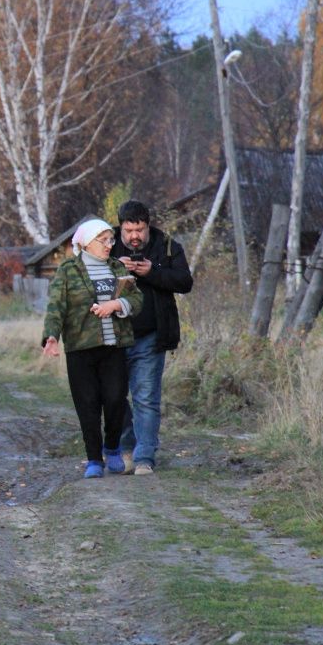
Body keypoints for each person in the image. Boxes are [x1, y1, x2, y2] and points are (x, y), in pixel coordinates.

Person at [42, 218, 143, 479]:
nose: (110, 245)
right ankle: (93, 460)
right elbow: (56, 307)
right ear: (86, 242)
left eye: (111, 240)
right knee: (87, 405)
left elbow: (136, 299)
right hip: (80, 349)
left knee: (115, 400)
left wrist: (117, 305)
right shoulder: (67, 270)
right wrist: (51, 337)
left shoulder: (117, 267)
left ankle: (112, 448)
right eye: (104, 240)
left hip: (114, 346)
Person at [112, 200, 193, 476]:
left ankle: (144, 456)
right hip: (112, 336)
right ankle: (125, 450)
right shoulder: (105, 243)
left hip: (151, 335)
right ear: (120, 227)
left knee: (146, 397)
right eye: (129, 230)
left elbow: (185, 282)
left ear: (148, 226)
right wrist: (115, 269)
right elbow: (84, 278)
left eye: (140, 230)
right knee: (113, 396)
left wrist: (152, 273)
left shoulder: (166, 245)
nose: (135, 236)